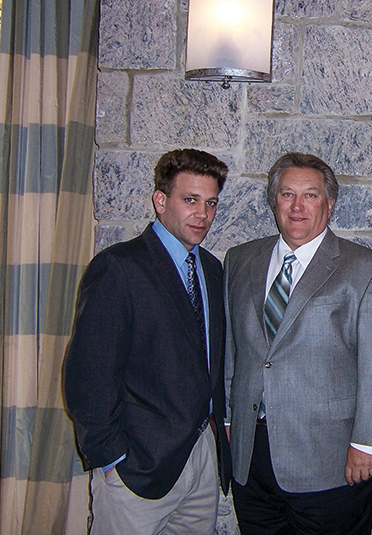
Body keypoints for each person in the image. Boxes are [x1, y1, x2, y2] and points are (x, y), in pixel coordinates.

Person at [224, 152, 372, 535]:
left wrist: (368, 445)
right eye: (287, 194)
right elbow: (233, 350)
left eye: (310, 195)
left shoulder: (367, 269)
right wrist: (228, 418)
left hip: (331, 461)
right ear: (274, 201)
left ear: (330, 204)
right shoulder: (240, 260)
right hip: (251, 455)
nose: (297, 206)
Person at [63, 148, 232, 534]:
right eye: (190, 200)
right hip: (135, 467)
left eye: (210, 203)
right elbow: (87, 376)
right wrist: (111, 458)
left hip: (201, 460)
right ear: (160, 200)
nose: (202, 214)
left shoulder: (210, 269)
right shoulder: (118, 267)